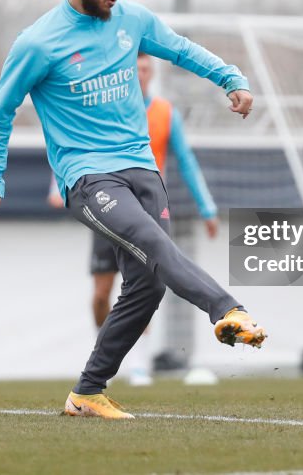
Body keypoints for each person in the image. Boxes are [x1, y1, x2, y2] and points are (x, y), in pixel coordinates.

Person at [0, 0, 267, 420]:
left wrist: (231, 78)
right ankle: (226, 310)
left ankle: (87, 393)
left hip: (142, 170)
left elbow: (182, 48)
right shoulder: (38, 42)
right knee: (155, 246)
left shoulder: (133, 19)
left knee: (147, 284)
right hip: (89, 179)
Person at [47, 52, 220, 386]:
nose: (140, 74)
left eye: (145, 69)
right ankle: (106, 352)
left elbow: (186, 161)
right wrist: (57, 185)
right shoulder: (104, 108)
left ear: (151, 73)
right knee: (102, 293)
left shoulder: (165, 113)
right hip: (106, 203)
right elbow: (69, 143)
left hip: (146, 208)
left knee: (144, 284)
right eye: (135, 69)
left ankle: (137, 363)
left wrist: (207, 207)